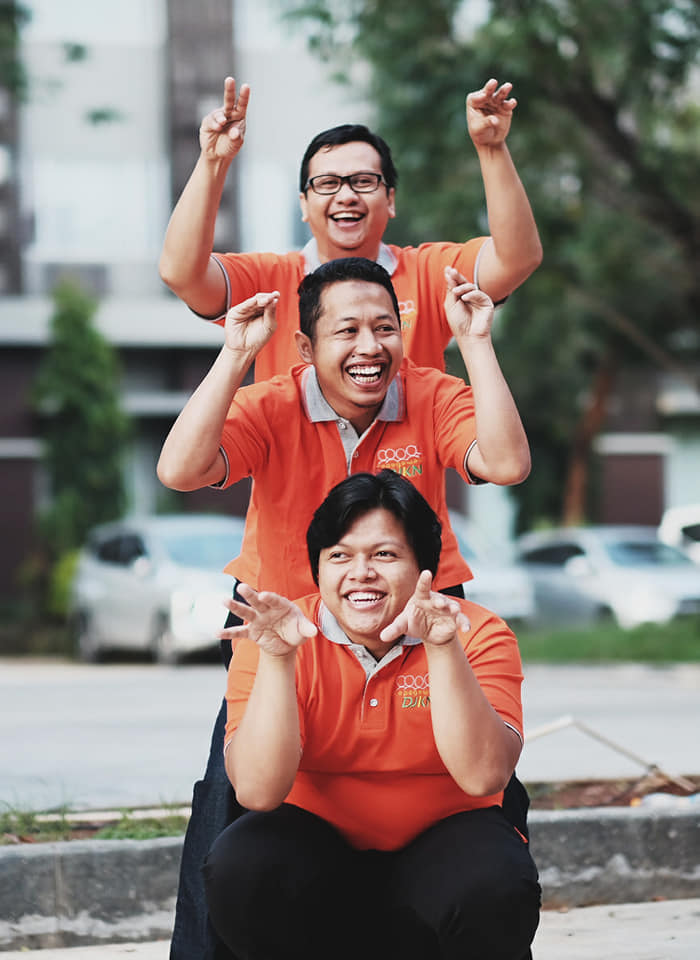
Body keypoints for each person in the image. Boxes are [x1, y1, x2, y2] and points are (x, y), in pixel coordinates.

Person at [159, 256, 531, 960]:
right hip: (283, 626)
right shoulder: (271, 403)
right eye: (348, 330)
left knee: (483, 805)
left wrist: (477, 342)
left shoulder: (430, 393)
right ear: (305, 346)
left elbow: (506, 463)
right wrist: (234, 354)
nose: (370, 346)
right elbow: (180, 470)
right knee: (235, 818)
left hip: (422, 611)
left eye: (385, 328)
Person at [203, 470, 541, 960]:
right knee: (242, 868)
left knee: (495, 884)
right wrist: (278, 659)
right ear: (318, 568)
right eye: (339, 556)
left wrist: (442, 647)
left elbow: (484, 776)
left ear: (425, 567)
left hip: (445, 849)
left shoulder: (477, 634)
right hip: (318, 858)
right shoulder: (277, 635)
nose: (360, 573)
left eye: (384, 554)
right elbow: (257, 792)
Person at [158, 77, 542, 380]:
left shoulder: (432, 273)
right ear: (304, 205)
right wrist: (213, 161)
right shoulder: (266, 284)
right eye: (327, 183)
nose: (346, 196)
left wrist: (492, 148)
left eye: (363, 181)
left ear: (390, 199)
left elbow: (517, 258)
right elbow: (181, 273)